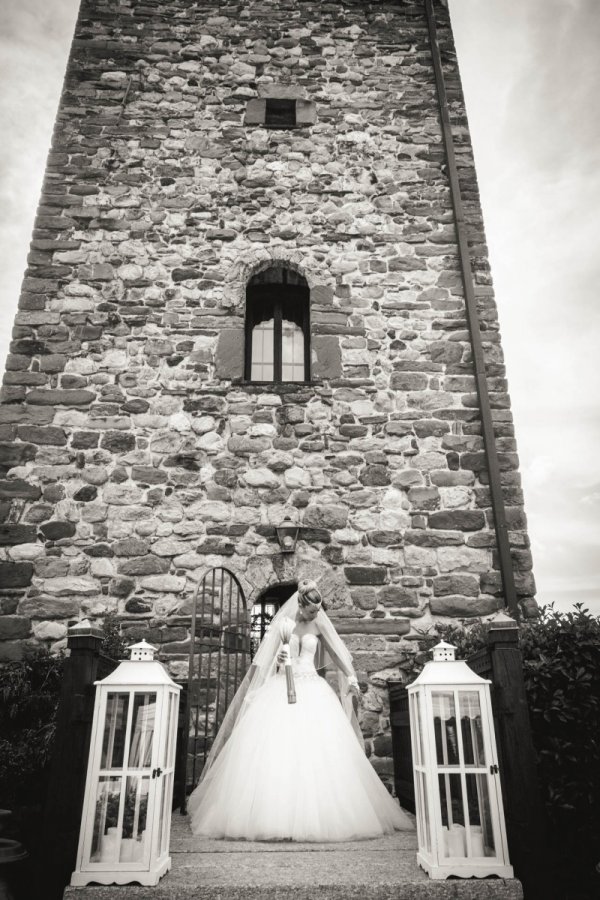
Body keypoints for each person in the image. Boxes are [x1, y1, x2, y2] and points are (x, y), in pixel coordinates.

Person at [187, 579, 414, 841]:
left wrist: (351, 678)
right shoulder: (282, 625)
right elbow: (266, 661)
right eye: (311, 611)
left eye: (318, 611)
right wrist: (280, 660)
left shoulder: (318, 624)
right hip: (281, 687)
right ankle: (271, 815)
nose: (316, 614)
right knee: (277, 749)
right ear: (301, 605)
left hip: (312, 687)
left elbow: (337, 653)